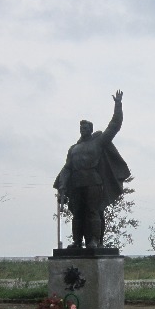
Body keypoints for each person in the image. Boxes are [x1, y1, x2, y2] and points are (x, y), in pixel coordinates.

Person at [54, 89, 131, 248]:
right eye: (81, 128)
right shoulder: (73, 149)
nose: (82, 130)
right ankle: (77, 241)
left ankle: (94, 240)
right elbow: (67, 168)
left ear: (90, 129)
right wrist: (62, 187)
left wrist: (118, 105)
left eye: (85, 127)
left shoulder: (98, 142)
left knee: (93, 211)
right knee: (77, 214)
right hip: (76, 183)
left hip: (93, 182)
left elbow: (114, 126)